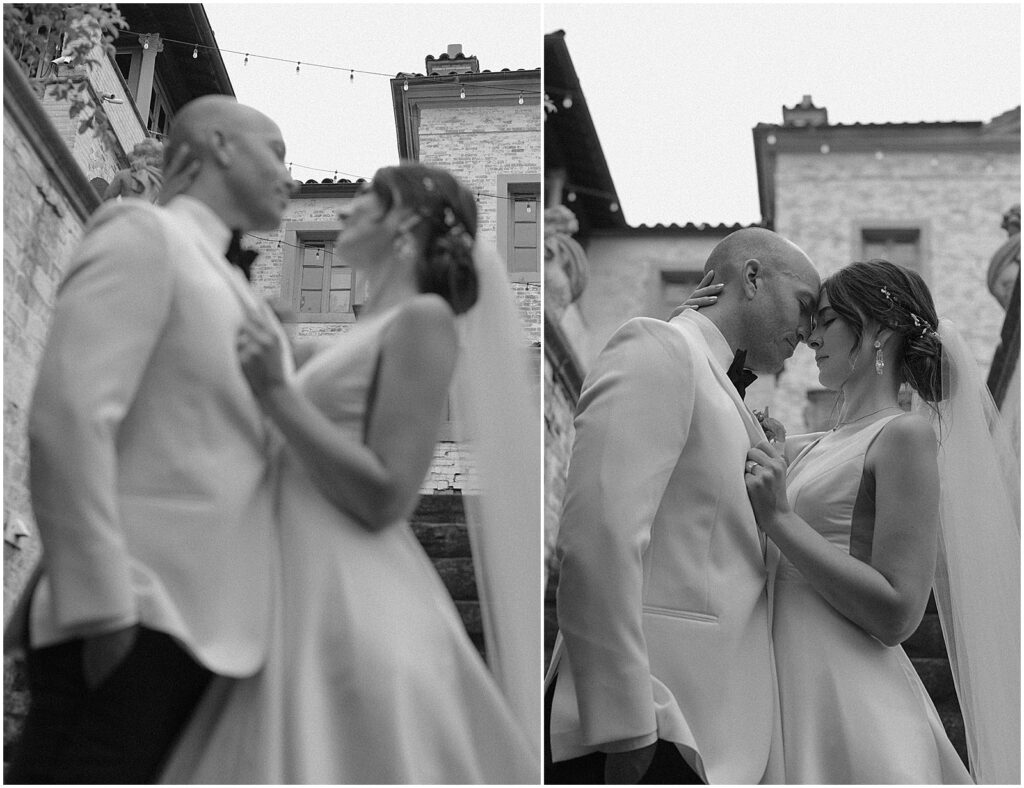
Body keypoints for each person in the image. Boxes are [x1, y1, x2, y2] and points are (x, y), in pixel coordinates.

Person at [160, 162, 541, 784]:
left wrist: (277, 395)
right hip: (288, 582)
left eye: (365, 195)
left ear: (407, 222)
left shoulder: (426, 322)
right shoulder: (351, 337)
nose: (344, 208)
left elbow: (388, 493)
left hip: (347, 595)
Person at [7, 95, 295, 783]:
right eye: (276, 152)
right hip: (129, 623)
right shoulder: (143, 234)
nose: (288, 173)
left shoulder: (239, 292)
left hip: (212, 643)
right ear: (220, 145)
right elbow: (69, 418)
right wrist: (104, 612)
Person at [689, 259, 1019, 783]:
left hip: (848, 698)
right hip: (780, 688)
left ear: (878, 331)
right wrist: (694, 327)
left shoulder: (905, 437)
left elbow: (899, 613)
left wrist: (779, 517)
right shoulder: (812, 445)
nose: (809, 336)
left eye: (824, 320)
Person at [546, 227, 820, 784]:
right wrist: (624, 722)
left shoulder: (715, 381)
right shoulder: (659, 347)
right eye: (804, 305)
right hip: (648, 726)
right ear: (750, 278)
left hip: (713, 735)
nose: (809, 330)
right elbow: (600, 536)